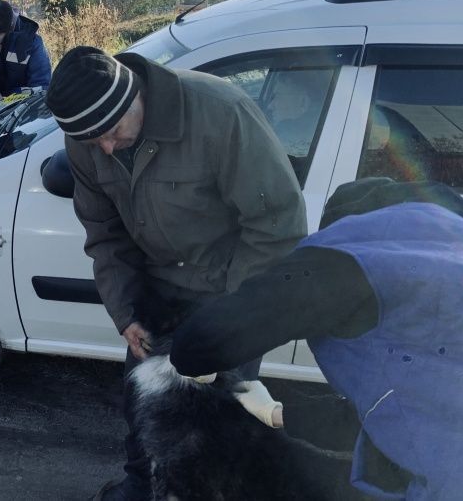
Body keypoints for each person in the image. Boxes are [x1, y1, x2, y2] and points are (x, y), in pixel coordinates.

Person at [43, 46, 307, 501]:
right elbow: (104, 234)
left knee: (218, 429)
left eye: (110, 132)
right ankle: (141, 486)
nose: (104, 147)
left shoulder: (221, 113)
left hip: (228, 292)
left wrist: (231, 321)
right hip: (156, 298)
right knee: (145, 411)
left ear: (133, 98)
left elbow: (277, 226)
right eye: (92, 142)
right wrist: (127, 313)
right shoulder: (87, 137)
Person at [165, 177, 463, 499]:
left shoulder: (352, 251)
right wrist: (277, 413)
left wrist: (193, 361)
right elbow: (395, 412)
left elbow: (203, 341)